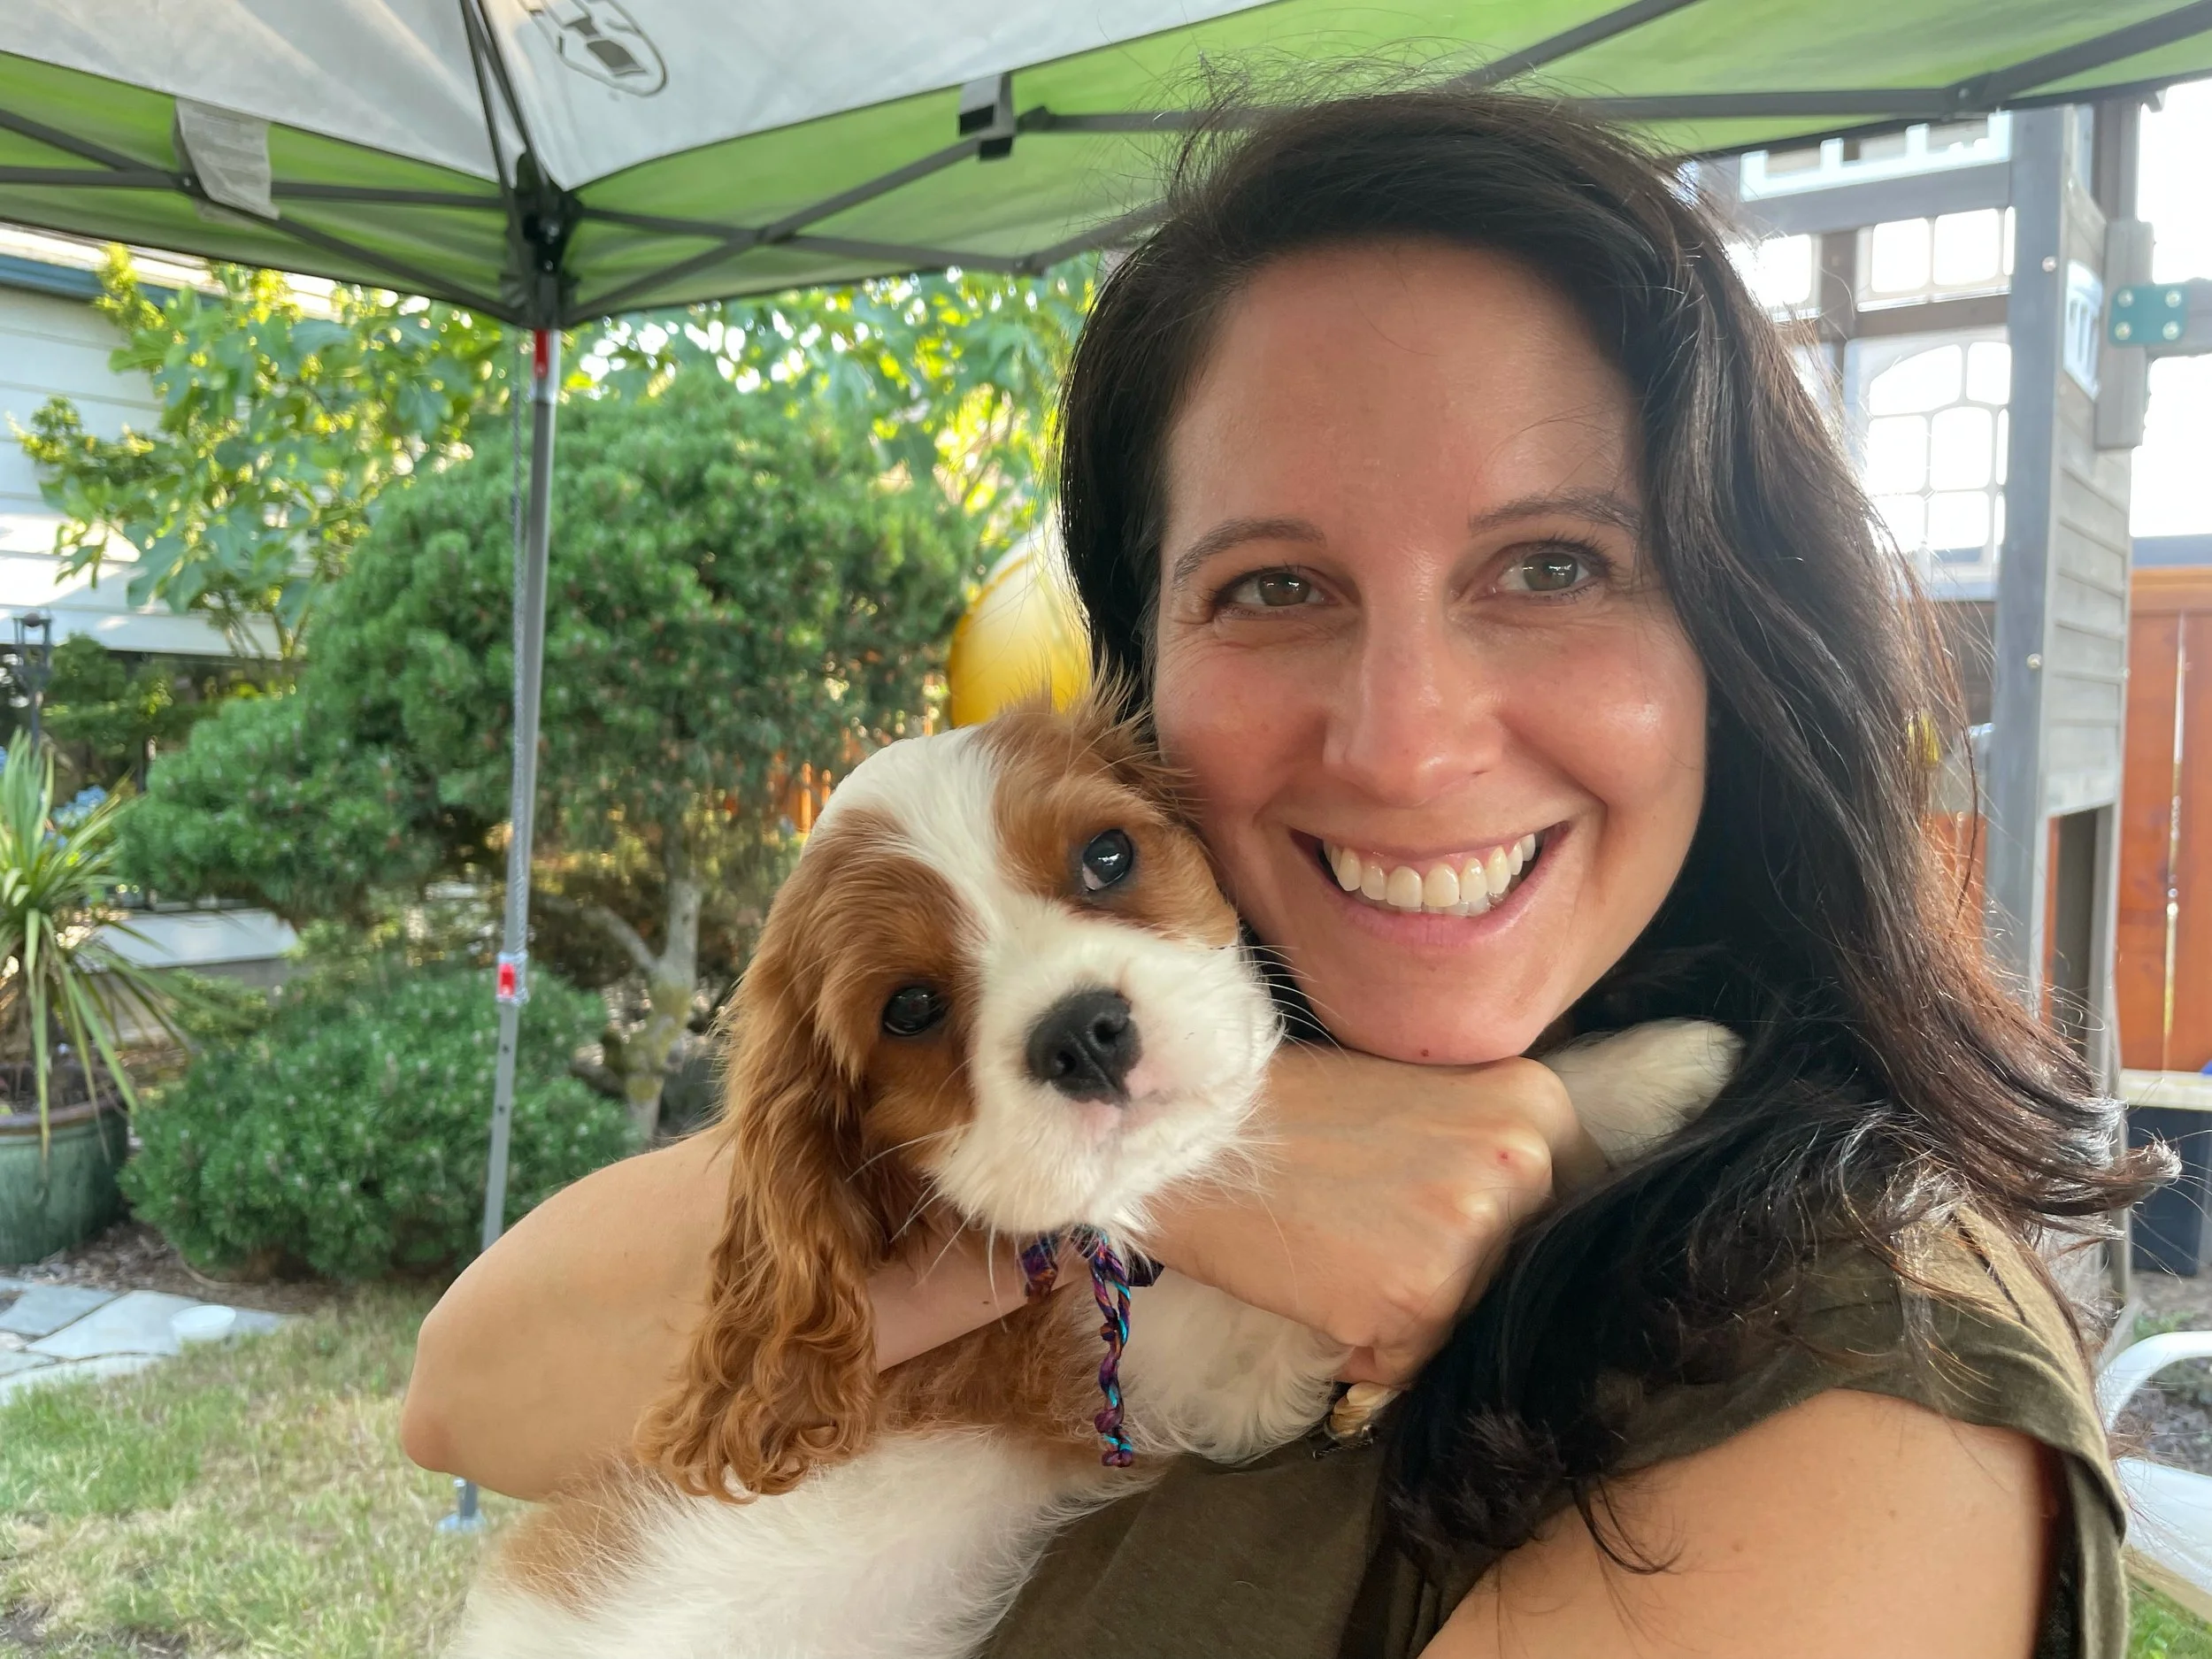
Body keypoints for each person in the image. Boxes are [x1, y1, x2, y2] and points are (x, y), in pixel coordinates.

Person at [403, 88, 2158, 1658]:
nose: (1401, 739)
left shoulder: (1859, 1391)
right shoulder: (1147, 1047)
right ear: (1143, 671)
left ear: (1735, 622)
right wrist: (1215, 1165)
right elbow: (469, 1388)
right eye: (1270, 585)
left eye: (1550, 563)